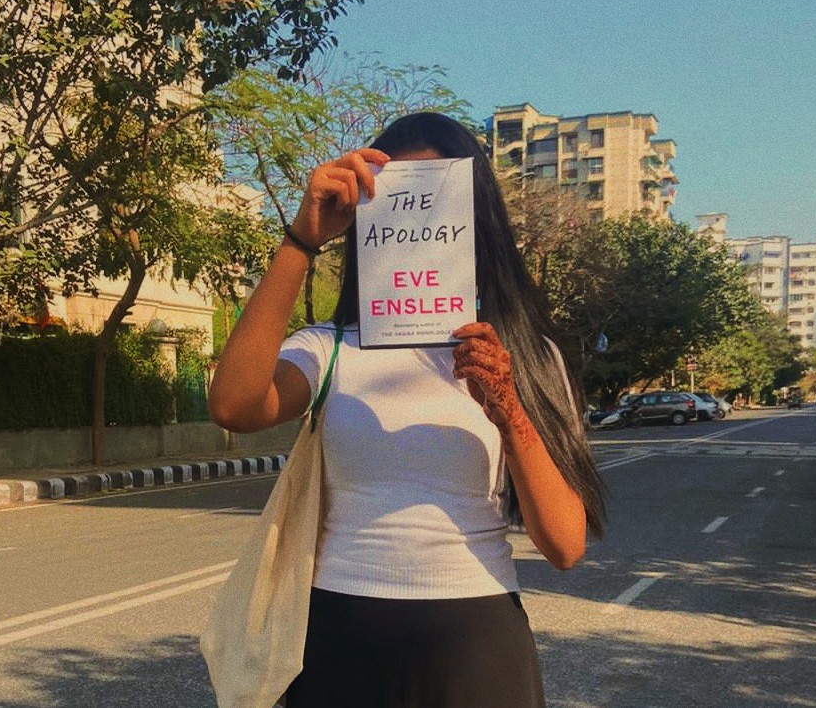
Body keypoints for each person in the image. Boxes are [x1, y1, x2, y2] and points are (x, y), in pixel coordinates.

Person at [208, 112, 606, 708]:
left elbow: (565, 545)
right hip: (339, 637)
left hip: (475, 640)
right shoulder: (331, 345)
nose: (418, 218)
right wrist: (302, 239)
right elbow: (235, 406)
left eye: (437, 197)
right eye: (398, 196)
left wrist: (509, 410)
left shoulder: (523, 354)